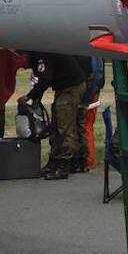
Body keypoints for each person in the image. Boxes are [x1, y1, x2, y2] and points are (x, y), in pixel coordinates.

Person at [24, 52, 87, 180]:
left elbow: (44, 81)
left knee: (64, 126)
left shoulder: (40, 55)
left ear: (24, 56)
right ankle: (69, 161)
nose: (24, 68)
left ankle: (62, 164)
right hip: (70, 86)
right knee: (62, 124)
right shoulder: (40, 53)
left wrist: (28, 97)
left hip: (70, 88)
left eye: (22, 64)